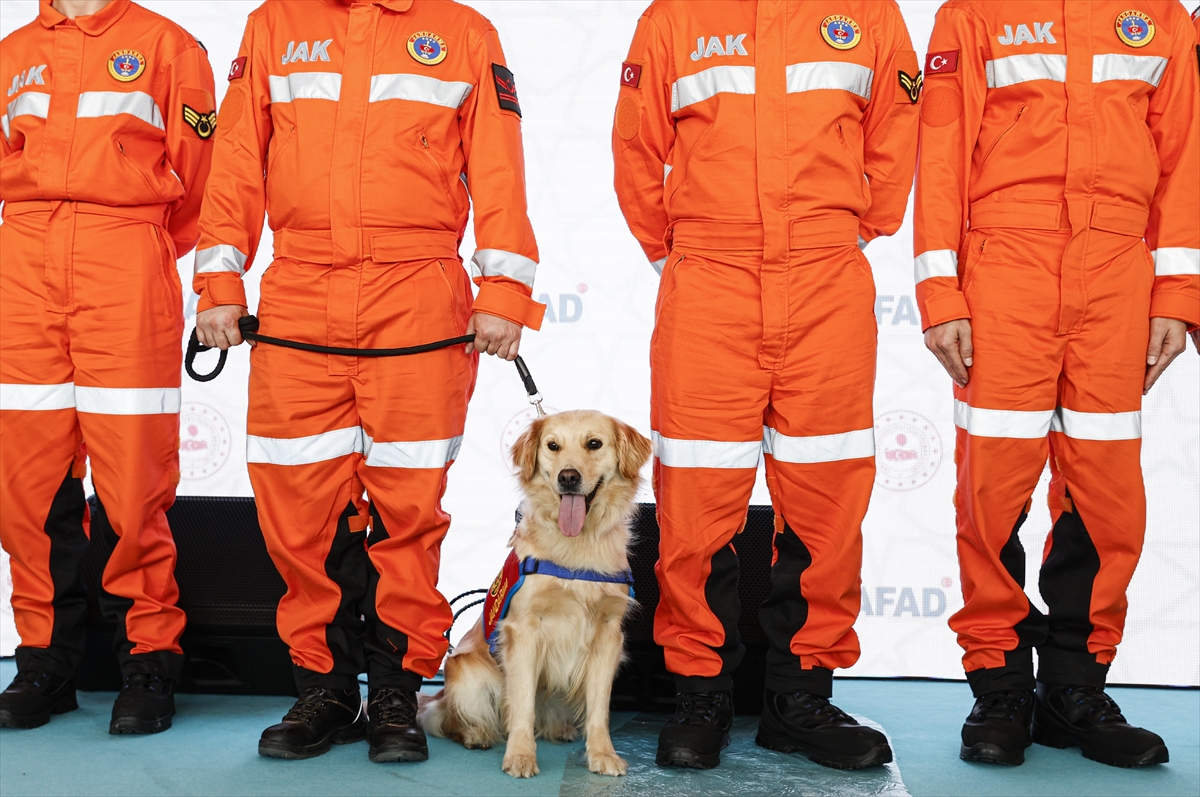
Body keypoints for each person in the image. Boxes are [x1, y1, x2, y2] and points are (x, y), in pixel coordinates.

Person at [193, 0, 544, 763]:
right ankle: (322, 686)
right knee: (298, 501)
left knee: (407, 503)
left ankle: (394, 684)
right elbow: (235, 160)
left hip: (416, 292)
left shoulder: (463, 32)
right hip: (299, 290)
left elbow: (498, 167)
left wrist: (506, 293)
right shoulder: (273, 25)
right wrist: (219, 284)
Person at [613, 0, 920, 770]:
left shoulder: (869, 15)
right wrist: (683, 253)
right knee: (696, 500)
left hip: (826, 278)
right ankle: (701, 690)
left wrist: (846, 230)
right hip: (709, 279)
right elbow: (635, 149)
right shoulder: (673, 19)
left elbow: (897, 135)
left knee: (827, 495)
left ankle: (800, 695)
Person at [915, 0, 1198, 768]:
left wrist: (1176, 294)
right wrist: (941, 292)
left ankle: (1076, 689)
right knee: (992, 490)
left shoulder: (1160, 18)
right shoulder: (973, 14)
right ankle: (1000, 685)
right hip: (1008, 263)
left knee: (1107, 489)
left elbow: (1182, 158)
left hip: (1117, 275)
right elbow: (940, 156)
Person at [0, 0, 214, 734]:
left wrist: (133, 243)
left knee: (133, 483)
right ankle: (44, 659)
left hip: (122, 260)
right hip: (22, 263)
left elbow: (198, 182)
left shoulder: (168, 45)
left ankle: (148, 659)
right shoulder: (13, 49)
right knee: (25, 485)